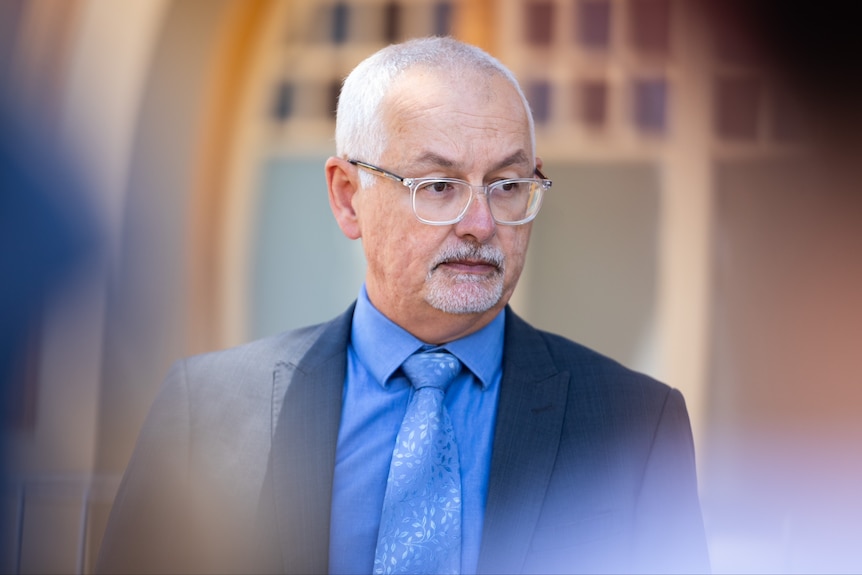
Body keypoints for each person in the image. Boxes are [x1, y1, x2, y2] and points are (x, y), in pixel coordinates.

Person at [96, 37, 710, 575]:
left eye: (507, 185)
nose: (480, 223)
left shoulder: (632, 424)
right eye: (438, 186)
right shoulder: (206, 411)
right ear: (347, 197)